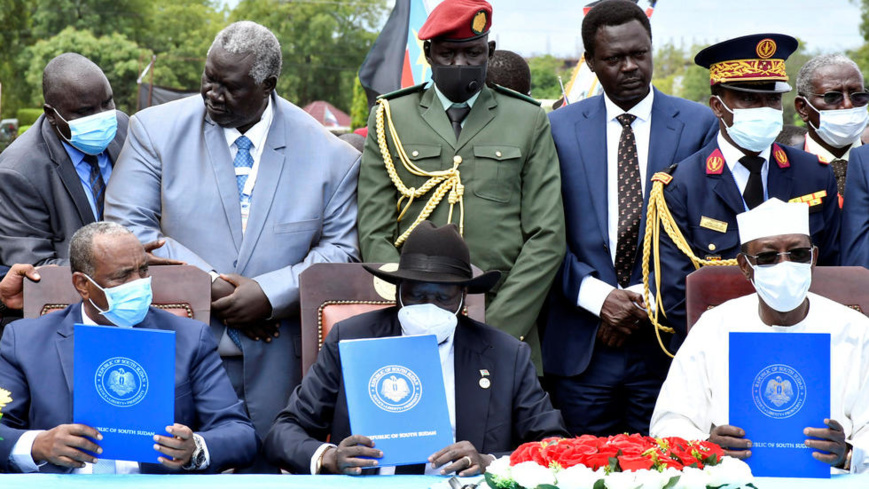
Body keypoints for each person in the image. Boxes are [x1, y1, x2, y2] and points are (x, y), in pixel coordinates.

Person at [103, 21, 360, 471]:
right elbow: (128, 229)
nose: (211, 94)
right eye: (208, 78)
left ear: (267, 86)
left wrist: (268, 295)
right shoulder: (153, 131)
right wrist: (218, 290)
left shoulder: (332, 156)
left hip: (281, 368)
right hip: (175, 358)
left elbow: (341, 249)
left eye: (229, 86)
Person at [357, 0, 565, 373]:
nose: (459, 65)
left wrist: (497, 325)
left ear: (490, 51)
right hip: (414, 317)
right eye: (447, 54)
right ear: (428, 53)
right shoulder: (390, 116)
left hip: (503, 319)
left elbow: (546, 236)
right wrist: (412, 311)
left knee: (505, 429)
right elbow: (374, 229)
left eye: (472, 53)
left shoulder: (527, 119)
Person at [263, 222, 569, 475]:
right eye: (416, 296)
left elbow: (554, 444)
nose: (428, 308)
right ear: (398, 293)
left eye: (443, 298)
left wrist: (490, 462)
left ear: (463, 297)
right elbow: (284, 432)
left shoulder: (503, 355)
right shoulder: (352, 339)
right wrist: (329, 456)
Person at [542, 0, 718, 438]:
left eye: (639, 54)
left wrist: (642, 298)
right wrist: (600, 298)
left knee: (667, 470)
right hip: (583, 343)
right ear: (591, 62)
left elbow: (706, 232)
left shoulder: (697, 125)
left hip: (665, 343)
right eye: (614, 58)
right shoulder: (556, 130)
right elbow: (542, 233)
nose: (629, 67)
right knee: (578, 470)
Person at [0, 222, 257, 474]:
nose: (139, 284)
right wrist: (37, 445)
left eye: (143, 271)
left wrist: (194, 449)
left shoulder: (189, 338)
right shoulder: (25, 341)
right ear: (83, 284)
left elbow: (240, 434)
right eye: (122, 276)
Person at [650, 199, 869, 474]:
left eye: (798, 253)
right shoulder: (713, 327)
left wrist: (848, 453)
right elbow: (669, 422)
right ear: (745, 266)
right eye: (767, 257)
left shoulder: (856, 330)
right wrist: (707, 447)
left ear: (813, 258)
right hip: (731, 477)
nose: (784, 265)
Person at [651, 34, 840, 351]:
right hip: (716, 350)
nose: (764, 109)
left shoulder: (815, 175)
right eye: (748, 99)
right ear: (717, 106)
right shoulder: (682, 185)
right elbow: (675, 294)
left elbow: (834, 270)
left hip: (805, 346)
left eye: (772, 99)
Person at [0, 53, 129, 268]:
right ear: (51, 114)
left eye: (107, 103)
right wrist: (123, 266)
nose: (102, 117)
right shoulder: (17, 172)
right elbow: (34, 268)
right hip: (73, 297)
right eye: (85, 111)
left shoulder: (122, 127)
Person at [794, 54, 868, 207]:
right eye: (832, 97)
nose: (848, 104)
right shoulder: (780, 171)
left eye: (857, 95)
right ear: (802, 108)